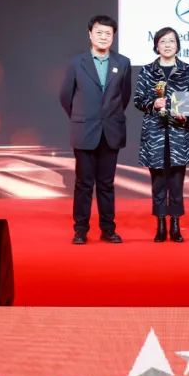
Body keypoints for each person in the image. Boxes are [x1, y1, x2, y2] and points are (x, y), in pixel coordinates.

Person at [59, 15, 132, 244]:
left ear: (113, 37)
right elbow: (65, 96)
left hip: (111, 131)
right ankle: (80, 229)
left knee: (106, 184)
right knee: (83, 183)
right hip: (84, 131)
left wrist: (108, 117)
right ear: (90, 34)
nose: (103, 37)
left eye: (108, 33)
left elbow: (124, 96)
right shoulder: (76, 63)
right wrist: (82, 118)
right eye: (99, 32)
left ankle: (108, 229)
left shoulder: (123, 63)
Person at [134, 27, 189, 242]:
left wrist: (186, 113)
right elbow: (138, 100)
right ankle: (161, 223)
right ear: (156, 46)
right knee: (158, 182)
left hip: (179, 134)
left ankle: (176, 224)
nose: (167, 45)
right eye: (163, 41)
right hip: (155, 134)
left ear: (177, 45)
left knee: (177, 183)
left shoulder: (187, 70)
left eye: (171, 41)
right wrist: (153, 103)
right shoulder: (147, 70)